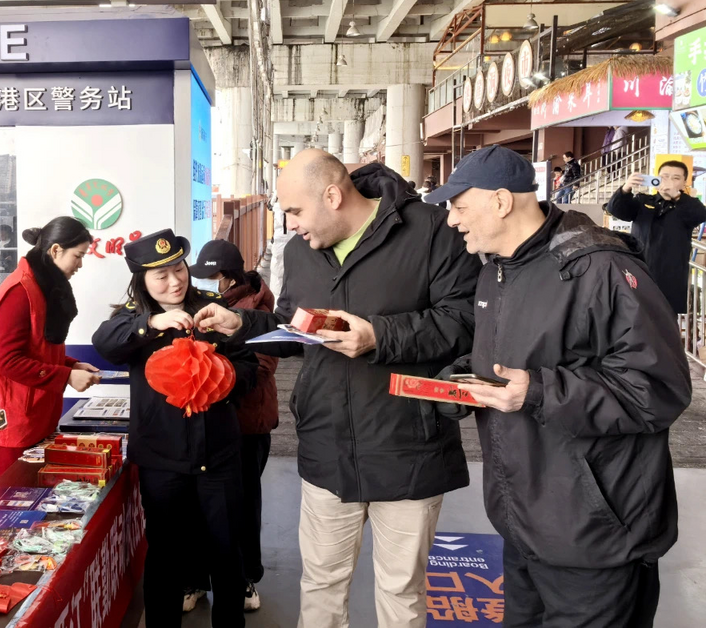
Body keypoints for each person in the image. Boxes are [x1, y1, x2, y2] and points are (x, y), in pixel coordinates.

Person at [193, 149, 480, 628]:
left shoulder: (431, 232)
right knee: (321, 584)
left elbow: (466, 321)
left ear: (333, 195)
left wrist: (378, 336)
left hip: (409, 445)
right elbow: (294, 328)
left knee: (401, 592)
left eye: (297, 211)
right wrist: (241, 322)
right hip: (328, 445)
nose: (292, 224)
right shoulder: (299, 251)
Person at [426, 145, 691, 628]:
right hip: (523, 522)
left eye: (459, 207)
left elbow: (657, 389)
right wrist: (464, 377)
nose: (451, 221)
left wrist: (538, 392)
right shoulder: (496, 270)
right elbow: (516, 359)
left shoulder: (602, 268)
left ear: (502, 201)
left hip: (595, 535)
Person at [93, 229, 260, 628]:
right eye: (161, 276)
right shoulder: (132, 320)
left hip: (218, 456)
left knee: (225, 552)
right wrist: (152, 323)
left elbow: (251, 367)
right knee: (166, 555)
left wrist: (223, 378)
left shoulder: (215, 310)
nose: (174, 281)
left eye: (179, 269)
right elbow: (105, 342)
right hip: (162, 460)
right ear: (142, 282)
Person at [0, 217, 102, 493]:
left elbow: (38, 349)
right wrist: (66, 376)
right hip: (9, 425)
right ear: (55, 251)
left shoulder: (43, 286)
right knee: (2, 517)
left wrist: (73, 365)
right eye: (78, 256)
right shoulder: (20, 291)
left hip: (34, 417)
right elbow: (8, 361)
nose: (80, 264)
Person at [184, 239, 280, 612]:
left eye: (212, 279)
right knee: (198, 507)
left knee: (240, 507)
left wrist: (209, 371)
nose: (205, 285)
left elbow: (262, 365)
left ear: (227, 278)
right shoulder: (203, 304)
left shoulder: (257, 305)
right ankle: (193, 579)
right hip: (204, 425)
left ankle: (243, 581)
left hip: (245, 424)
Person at [607, 160, 706, 315]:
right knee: (634, 318)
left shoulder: (687, 205)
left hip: (670, 276)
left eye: (676, 178)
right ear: (656, 178)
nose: (669, 182)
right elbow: (616, 210)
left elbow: (700, 215)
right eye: (664, 176)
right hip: (639, 271)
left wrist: (675, 196)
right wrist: (626, 188)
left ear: (684, 182)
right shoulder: (643, 201)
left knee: (665, 323)